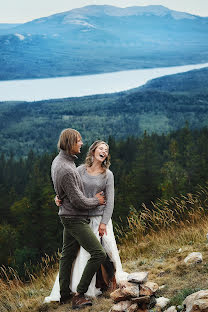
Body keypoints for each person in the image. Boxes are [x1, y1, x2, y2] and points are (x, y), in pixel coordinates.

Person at [45, 139, 128, 304]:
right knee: (81, 255)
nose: (104, 151)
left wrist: (104, 223)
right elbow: (69, 189)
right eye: (101, 148)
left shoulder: (107, 175)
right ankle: (78, 291)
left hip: (100, 219)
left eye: (106, 149)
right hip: (81, 217)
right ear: (93, 151)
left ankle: (108, 282)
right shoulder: (80, 170)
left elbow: (110, 202)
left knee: (107, 252)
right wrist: (58, 198)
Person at [50, 128, 107, 309]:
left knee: (67, 256)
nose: (81, 143)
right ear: (69, 143)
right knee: (98, 253)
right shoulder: (66, 168)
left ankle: (64, 294)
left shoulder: (60, 161)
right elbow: (78, 201)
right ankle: (79, 294)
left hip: (67, 215)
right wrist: (96, 201)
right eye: (78, 141)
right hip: (74, 218)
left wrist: (59, 197)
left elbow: (63, 190)